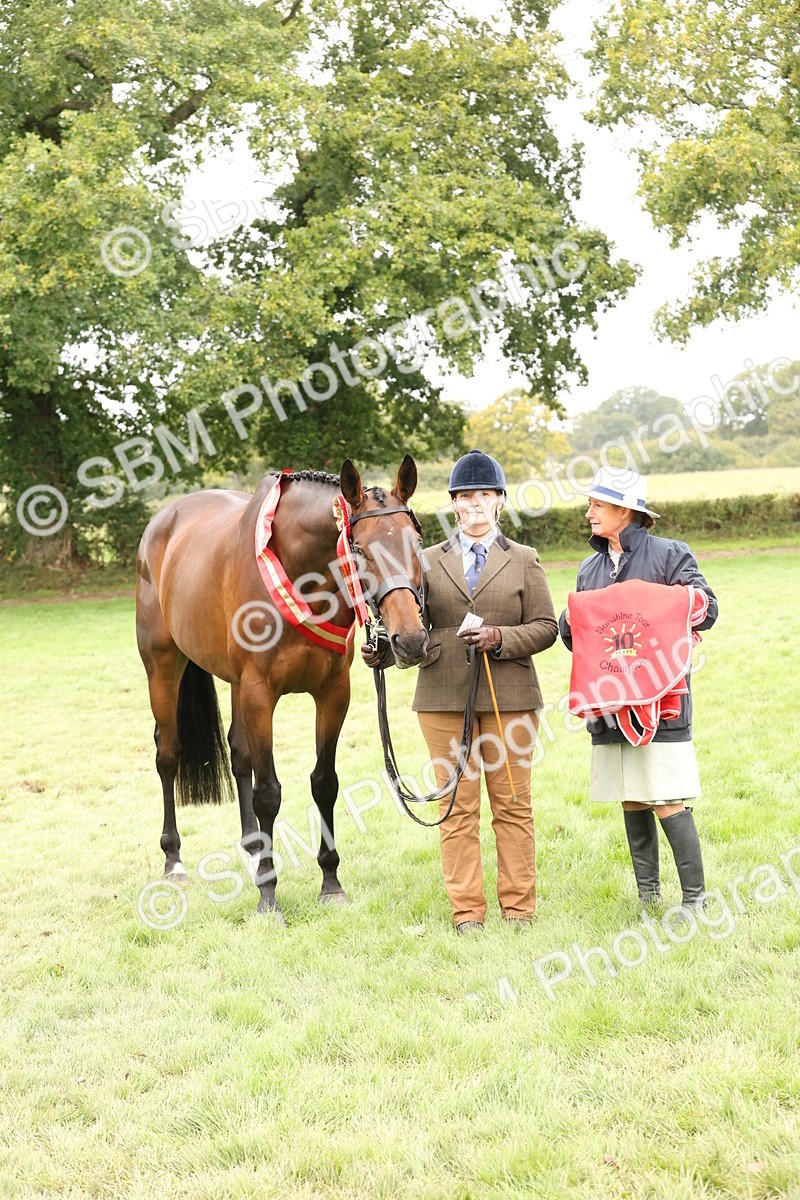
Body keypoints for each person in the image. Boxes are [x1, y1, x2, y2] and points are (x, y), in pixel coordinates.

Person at [362, 449, 558, 935]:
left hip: (510, 698)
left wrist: (499, 638)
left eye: (484, 495)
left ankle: (519, 908)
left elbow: (546, 627)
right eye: (465, 496)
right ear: (453, 505)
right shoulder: (425, 562)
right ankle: (468, 912)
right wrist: (384, 653)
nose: (474, 503)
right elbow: (411, 629)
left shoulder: (525, 561)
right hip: (442, 700)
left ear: (499, 503)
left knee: (512, 805)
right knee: (456, 808)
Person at [559, 466, 718, 909]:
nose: (589, 512)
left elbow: (707, 610)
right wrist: (568, 621)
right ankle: (648, 896)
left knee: (665, 795)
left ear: (624, 511)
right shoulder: (590, 567)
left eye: (597, 504)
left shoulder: (670, 554)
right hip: (608, 700)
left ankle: (695, 900)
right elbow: (577, 638)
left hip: (660, 699)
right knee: (630, 797)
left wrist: (665, 601)